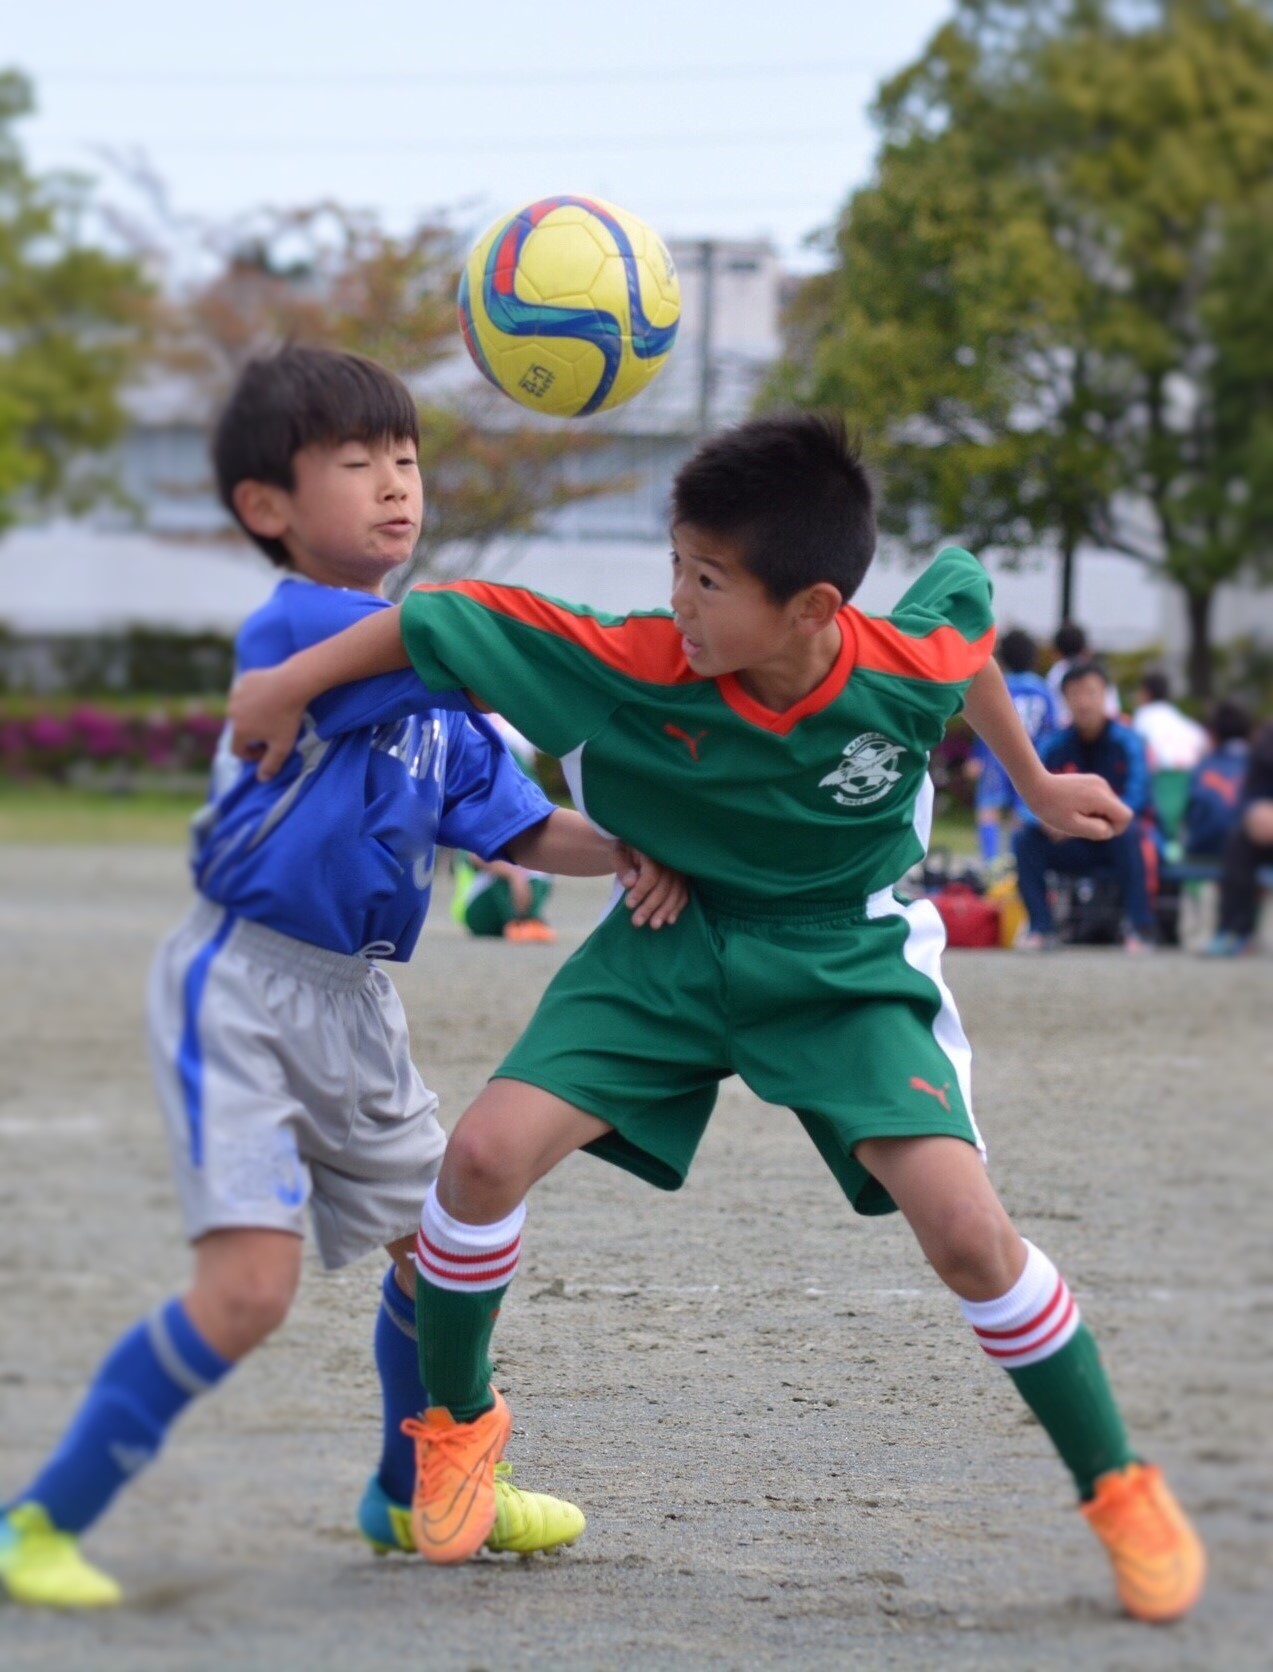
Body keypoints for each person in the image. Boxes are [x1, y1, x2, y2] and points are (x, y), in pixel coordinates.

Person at [227, 413, 1205, 1622]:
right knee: (479, 1158)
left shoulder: (891, 665)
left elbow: (967, 639)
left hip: (842, 959)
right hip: (669, 947)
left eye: (708, 579)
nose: (677, 601)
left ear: (814, 608)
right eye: (673, 565)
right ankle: (458, 1425)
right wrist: (282, 682)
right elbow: (439, 618)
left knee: (967, 1237)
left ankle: (1118, 1487)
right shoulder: (628, 658)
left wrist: (1035, 780)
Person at [0, 346, 686, 1609]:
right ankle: (36, 1518)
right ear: (269, 508)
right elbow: (465, 644)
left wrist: (643, 844)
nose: (396, 486)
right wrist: (663, 653)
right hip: (244, 988)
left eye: (409, 460)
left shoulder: (438, 692)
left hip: (359, 1000)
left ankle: (401, 1486)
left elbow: (526, 831)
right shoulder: (304, 629)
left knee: (444, 1253)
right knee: (248, 1291)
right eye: (358, 463)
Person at [1013, 662, 1158, 952]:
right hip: (1072, 843)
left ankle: (1138, 928)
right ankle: (1041, 927)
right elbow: (1027, 795)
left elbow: (1137, 797)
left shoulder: (1128, 742)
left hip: (1112, 837)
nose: (1084, 702)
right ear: (1065, 700)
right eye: (1075, 694)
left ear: (1105, 696)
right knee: (1025, 839)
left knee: (1129, 834)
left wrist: (1084, 818)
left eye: (1091, 692)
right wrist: (1044, 819)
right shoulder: (1054, 745)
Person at [965, 627, 1059, 863]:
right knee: (1022, 811)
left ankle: (991, 863)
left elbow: (984, 719)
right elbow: (1052, 727)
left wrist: (977, 755)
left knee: (989, 808)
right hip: (1032, 756)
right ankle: (1017, 864)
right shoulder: (1043, 689)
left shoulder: (999, 684)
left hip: (996, 754)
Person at [1202, 719, 1273, 956]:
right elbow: (1252, 792)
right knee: (1238, 841)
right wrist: (1255, 811)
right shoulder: (1267, 739)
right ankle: (1234, 931)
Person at [1181, 699, 1252, 859]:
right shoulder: (1259, 765)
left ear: (1213, 733)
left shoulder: (1203, 767)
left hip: (1205, 849)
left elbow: (1192, 816)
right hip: (1251, 853)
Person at [453, 851, 556, 943]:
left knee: (539, 873)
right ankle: (518, 922)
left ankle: (529, 921)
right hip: (479, 913)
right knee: (502, 873)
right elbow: (475, 858)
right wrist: (514, 876)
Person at [1131, 669, 1207, 771]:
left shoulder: (1143, 715)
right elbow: (1201, 737)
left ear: (1146, 693)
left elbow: (1136, 747)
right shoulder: (1174, 713)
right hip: (1191, 771)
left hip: (1161, 776)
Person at [1048, 622, 1120, 722]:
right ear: (1085, 650)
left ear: (1055, 652)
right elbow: (1113, 711)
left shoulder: (1056, 673)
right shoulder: (1097, 672)